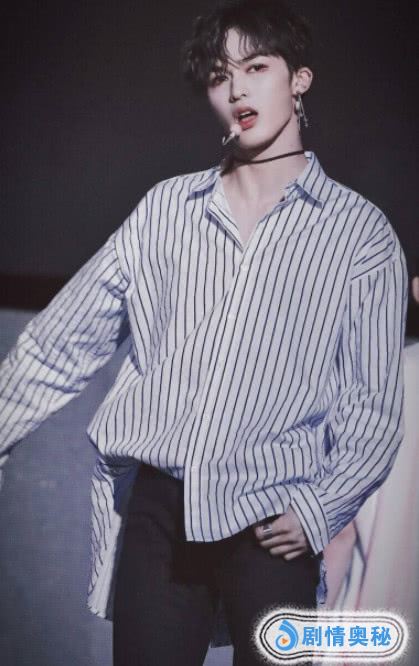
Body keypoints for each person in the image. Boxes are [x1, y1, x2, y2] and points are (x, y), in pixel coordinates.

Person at [0, 0, 409, 664]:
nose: (238, 89)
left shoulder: (358, 234)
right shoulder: (166, 210)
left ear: (299, 79)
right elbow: (60, 342)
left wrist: (318, 509)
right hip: (162, 515)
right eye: (221, 75)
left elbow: (373, 407)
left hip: (272, 519)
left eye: (257, 66)